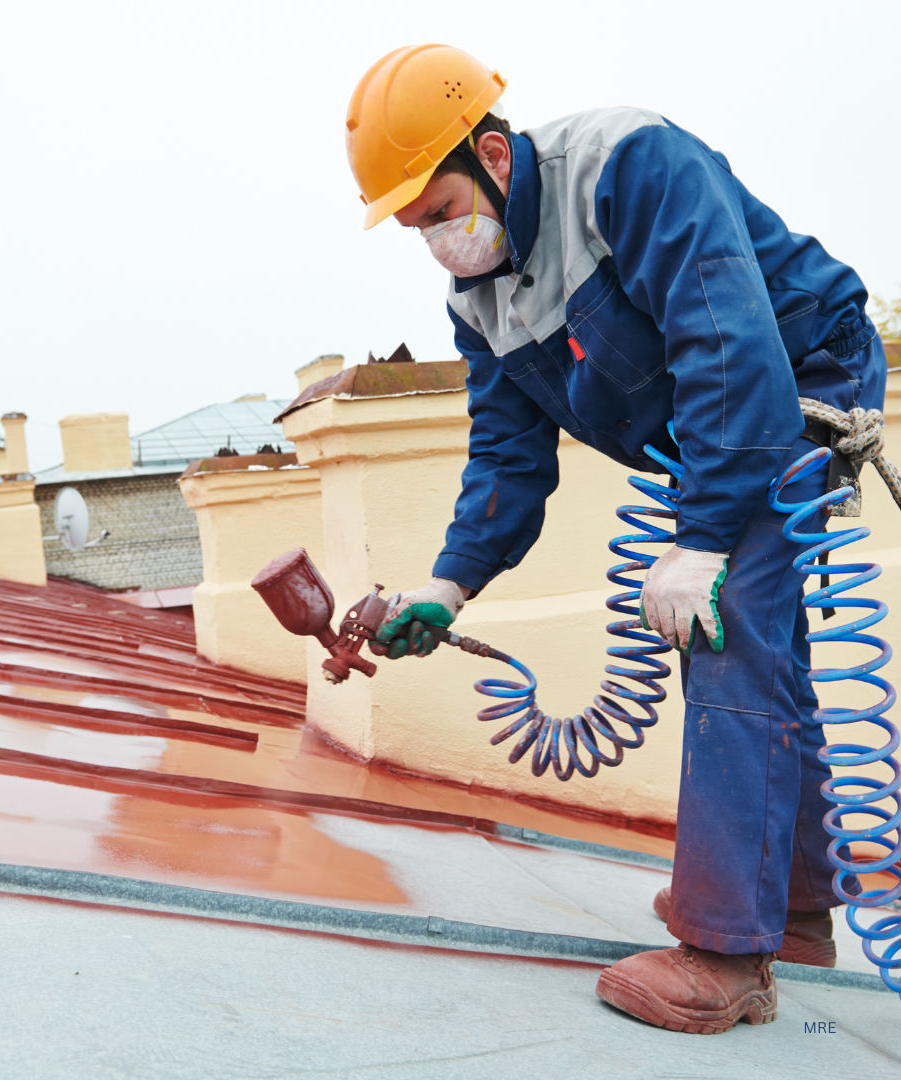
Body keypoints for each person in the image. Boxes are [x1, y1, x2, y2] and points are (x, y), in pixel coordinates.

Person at [346, 44, 888, 1034]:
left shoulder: (628, 166)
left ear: (497, 158)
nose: (436, 242)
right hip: (717, 410)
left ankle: (727, 957)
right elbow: (508, 462)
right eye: (417, 228)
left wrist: (705, 539)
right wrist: (448, 589)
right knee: (755, 628)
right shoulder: (481, 301)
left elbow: (728, 342)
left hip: (797, 372)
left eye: (439, 211)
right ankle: (796, 913)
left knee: (723, 623)